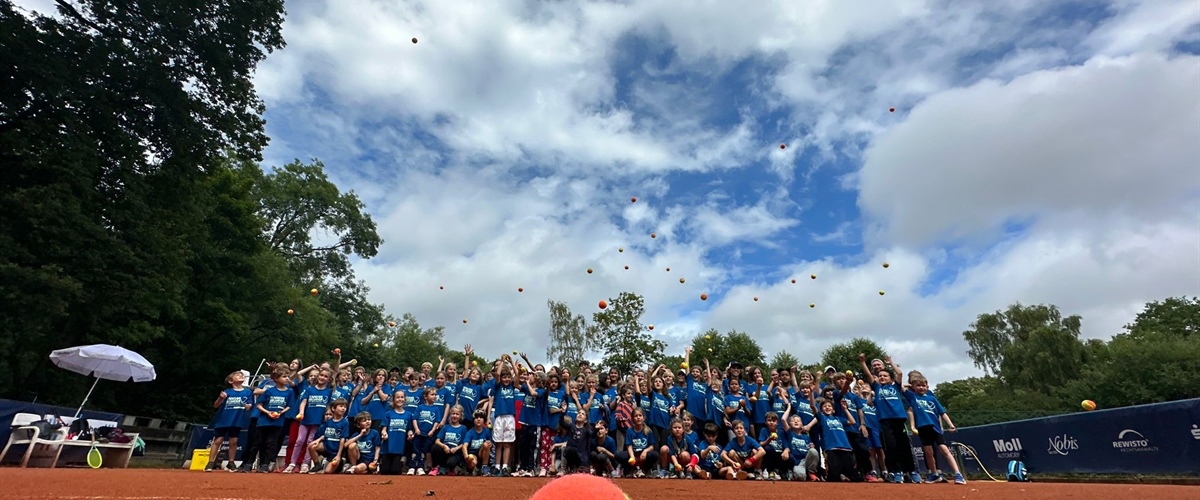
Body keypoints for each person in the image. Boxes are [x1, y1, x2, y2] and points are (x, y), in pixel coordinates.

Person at [859, 353, 919, 484]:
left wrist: (891, 362)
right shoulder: (877, 387)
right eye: (880, 376)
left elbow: (900, 374)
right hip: (885, 422)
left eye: (885, 375)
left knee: (904, 446)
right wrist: (863, 363)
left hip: (899, 419)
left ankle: (911, 471)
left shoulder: (895, 387)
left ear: (890, 378)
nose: (882, 377)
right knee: (891, 447)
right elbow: (869, 376)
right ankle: (897, 472)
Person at [904, 370, 966, 485]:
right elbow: (900, 386)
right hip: (923, 428)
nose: (921, 388)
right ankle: (934, 474)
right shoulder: (912, 397)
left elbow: (942, 413)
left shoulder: (932, 398)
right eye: (918, 385)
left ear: (927, 386)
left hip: (935, 428)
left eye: (924, 385)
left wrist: (951, 424)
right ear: (913, 387)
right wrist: (910, 384)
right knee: (928, 452)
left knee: (944, 449)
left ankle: (958, 474)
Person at [205, 371, 252, 472]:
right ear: (231, 381)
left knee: (233, 442)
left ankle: (231, 462)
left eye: (242, 375)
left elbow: (249, 405)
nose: (241, 376)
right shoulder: (227, 392)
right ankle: (210, 462)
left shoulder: (248, 392)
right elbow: (216, 405)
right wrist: (220, 398)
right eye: (237, 375)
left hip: (237, 420)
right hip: (223, 420)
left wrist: (249, 406)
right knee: (218, 441)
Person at [307, 398, 351, 474]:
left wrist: (338, 455)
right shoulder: (329, 421)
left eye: (345, 407)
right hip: (326, 447)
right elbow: (325, 435)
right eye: (341, 406)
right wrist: (317, 441)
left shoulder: (345, 422)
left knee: (327, 472)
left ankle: (340, 463)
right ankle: (317, 465)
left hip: (335, 451)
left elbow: (342, 439)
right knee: (311, 446)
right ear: (333, 408)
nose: (343, 408)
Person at [379, 391, 414, 475]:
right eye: (398, 397)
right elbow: (384, 429)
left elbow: (409, 429)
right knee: (384, 471)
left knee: (395, 471)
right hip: (388, 447)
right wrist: (384, 433)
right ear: (393, 400)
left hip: (399, 447)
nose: (400, 399)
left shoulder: (408, 415)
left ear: (405, 399)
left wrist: (410, 434)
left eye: (402, 397)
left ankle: (403, 462)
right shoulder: (388, 414)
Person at [432, 405, 468, 476]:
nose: (455, 416)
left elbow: (464, 443)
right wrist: (444, 446)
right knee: (435, 447)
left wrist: (456, 448)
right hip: (445, 451)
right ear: (450, 414)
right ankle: (437, 467)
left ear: (461, 416)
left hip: (455, 453)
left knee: (450, 463)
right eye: (453, 414)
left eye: (457, 414)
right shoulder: (446, 427)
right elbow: (437, 441)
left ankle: (452, 468)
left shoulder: (463, 428)